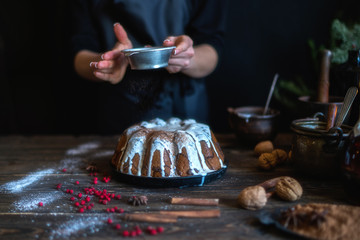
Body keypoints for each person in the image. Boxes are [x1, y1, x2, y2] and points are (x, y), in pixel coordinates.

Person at [70, 0, 227, 134]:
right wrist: (105, 63)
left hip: (186, 110)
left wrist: (186, 58)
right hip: (122, 113)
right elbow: (79, 55)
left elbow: (212, 47)